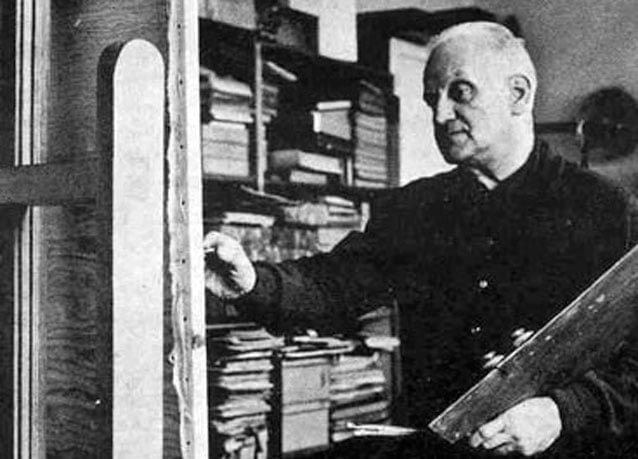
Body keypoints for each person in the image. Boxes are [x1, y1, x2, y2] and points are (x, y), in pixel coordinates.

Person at [204, 22, 638, 457]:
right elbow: (333, 284)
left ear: (518, 94)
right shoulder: (414, 209)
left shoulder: (606, 209)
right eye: (432, 99)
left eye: (460, 92)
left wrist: (562, 412)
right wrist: (251, 282)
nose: (440, 115)